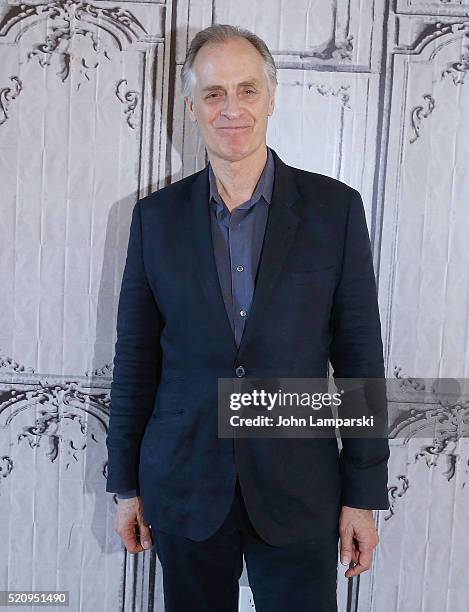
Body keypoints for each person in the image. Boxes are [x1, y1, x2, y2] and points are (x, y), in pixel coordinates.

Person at [105, 23, 390, 612]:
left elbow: (360, 359)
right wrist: (125, 486)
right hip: (183, 486)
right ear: (190, 106)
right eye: (213, 94)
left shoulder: (335, 210)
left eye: (247, 90)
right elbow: (136, 360)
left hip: (300, 489)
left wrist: (363, 494)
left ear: (271, 96)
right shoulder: (154, 219)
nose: (231, 109)